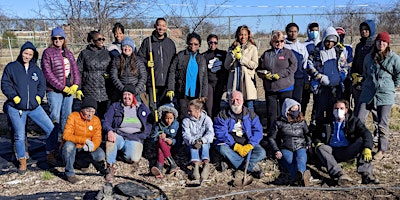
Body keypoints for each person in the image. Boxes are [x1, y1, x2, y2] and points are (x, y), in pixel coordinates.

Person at [1, 41, 58, 174]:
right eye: (25, 53)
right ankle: (22, 160)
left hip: (34, 107)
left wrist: (38, 97)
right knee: (19, 135)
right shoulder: (12, 67)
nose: (27, 56)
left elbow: (42, 84)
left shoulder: (36, 69)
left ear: (33, 55)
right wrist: (14, 97)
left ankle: (50, 153)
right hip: (16, 108)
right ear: (21, 53)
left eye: (30, 54)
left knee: (51, 129)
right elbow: (5, 84)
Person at [313, 100, 379, 185]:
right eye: (336, 108)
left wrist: (368, 147)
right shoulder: (326, 122)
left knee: (362, 144)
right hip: (332, 151)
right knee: (321, 148)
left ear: (346, 110)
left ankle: (367, 175)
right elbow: (315, 134)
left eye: (341, 108)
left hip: (348, 149)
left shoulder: (353, 121)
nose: (338, 111)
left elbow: (366, 133)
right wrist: (317, 142)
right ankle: (339, 174)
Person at [357, 32, 400, 160]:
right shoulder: (368, 57)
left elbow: (398, 74)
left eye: (384, 42)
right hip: (368, 92)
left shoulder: (394, 58)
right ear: (375, 43)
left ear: (388, 44)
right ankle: (360, 145)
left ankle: (382, 149)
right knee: (359, 119)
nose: (381, 44)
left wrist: (391, 87)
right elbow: (365, 72)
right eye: (379, 42)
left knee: (382, 123)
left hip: (385, 94)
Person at [103, 85, 153, 182]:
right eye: (124, 95)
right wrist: (109, 131)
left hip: (135, 137)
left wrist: (144, 135)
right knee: (110, 141)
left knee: (133, 158)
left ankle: (120, 153)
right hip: (119, 135)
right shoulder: (115, 106)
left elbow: (150, 122)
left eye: (129, 94)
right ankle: (110, 167)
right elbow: (106, 121)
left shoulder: (141, 107)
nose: (126, 97)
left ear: (133, 96)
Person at [41, 27, 81, 140]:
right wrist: (62, 87)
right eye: (55, 38)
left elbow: (75, 70)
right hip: (54, 91)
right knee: (55, 117)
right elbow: (47, 74)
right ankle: (53, 143)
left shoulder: (69, 53)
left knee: (67, 117)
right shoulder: (47, 53)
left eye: (60, 38)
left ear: (64, 39)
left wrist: (76, 85)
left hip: (69, 90)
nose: (57, 40)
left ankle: (64, 141)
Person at [214, 91, 266, 178]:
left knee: (261, 153)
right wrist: (234, 145)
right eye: (232, 100)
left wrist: (250, 144)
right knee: (222, 149)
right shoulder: (222, 115)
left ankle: (232, 163)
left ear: (242, 101)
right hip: (230, 144)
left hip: (247, 143)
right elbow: (220, 132)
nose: (235, 102)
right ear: (229, 101)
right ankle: (251, 167)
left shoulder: (251, 114)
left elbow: (258, 131)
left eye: (238, 99)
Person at [307, 26, 348, 125]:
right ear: (324, 39)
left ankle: (331, 132)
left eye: (333, 41)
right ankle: (318, 133)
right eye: (328, 41)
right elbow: (309, 65)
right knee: (319, 111)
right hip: (322, 87)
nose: (330, 43)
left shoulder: (339, 51)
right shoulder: (316, 51)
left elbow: (344, 66)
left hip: (336, 87)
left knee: (333, 111)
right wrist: (319, 76)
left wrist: (341, 77)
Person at [258, 31, 297, 131]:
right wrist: (264, 74)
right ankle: (272, 134)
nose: (279, 43)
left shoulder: (288, 53)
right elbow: (258, 69)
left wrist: (279, 75)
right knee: (272, 113)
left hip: (286, 87)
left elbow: (293, 67)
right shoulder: (266, 54)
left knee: (286, 112)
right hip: (271, 89)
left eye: (282, 41)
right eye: (276, 41)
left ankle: (286, 133)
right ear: (272, 42)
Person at [267, 98, 311, 186]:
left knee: (301, 159)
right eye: (294, 109)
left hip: (300, 146)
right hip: (285, 147)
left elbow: (307, 134)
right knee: (289, 162)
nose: (296, 111)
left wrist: (309, 144)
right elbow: (271, 138)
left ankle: (300, 176)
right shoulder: (278, 122)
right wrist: (276, 150)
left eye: (297, 109)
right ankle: (299, 177)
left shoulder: (302, 121)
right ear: (287, 111)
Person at [61, 96, 105, 183]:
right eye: (88, 111)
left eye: (92, 111)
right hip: (75, 146)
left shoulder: (96, 120)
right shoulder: (73, 116)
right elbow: (66, 135)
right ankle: (69, 173)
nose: (90, 114)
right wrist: (84, 140)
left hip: (86, 148)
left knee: (100, 154)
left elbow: (97, 137)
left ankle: (82, 164)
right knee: (68, 146)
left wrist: (93, 146)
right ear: (82, 109)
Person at [138, 18, 177, 110]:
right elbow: (139, 58)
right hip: (152, 81)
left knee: (166, 107)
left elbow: (174, 63)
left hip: (166, 83)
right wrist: (146, 63)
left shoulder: (170, 43)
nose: (161, 28)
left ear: (166, 27)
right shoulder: (148, 42)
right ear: (155, 26)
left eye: (163, 26)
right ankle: (153, 124)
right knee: (152, 106)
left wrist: (171, 84)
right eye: (159, 25)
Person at [166, 32, 208, 119]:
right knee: (183, 114)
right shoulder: (180, 56)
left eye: (196, 44)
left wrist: (204, 94)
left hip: (196, 94)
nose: (193, 46)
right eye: (191, 44)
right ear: (187, 43)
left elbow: (204, 77)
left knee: (195, 115)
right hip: (182, 92)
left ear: (199, 45)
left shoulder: (201, 58)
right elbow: (172, 71)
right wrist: (171, 88)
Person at [77, 30, 111, 119]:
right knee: (90, 114)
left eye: (103, 39)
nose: (102, 41)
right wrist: (78, 88)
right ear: (92, 41)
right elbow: (78, 71)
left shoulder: (107, 53)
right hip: (89, 89)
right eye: (99, 39)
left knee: (104, 114)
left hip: (105, 90)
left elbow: (112, 68)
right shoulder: (84, 53)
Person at [224, 25, 258, 110]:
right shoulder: (232, 48)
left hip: (247, 82)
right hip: (235, 81)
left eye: (245, 34)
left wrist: (242, 58)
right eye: (241, 34)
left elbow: (254, 64)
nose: (243, 37)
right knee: (234, 107)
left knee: (249, 107)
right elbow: (226, 66)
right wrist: (232, 56)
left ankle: (250, 123)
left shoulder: (252, 48)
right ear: (237, 35)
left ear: (248, 35)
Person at [182, 98, 214, 180]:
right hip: (192, 143)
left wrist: (202, 140)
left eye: (191, 111)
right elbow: (185, 134)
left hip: (203, 142)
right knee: (193, 146)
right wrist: (193, 141)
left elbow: (210, 133)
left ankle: (206, 164)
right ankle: (195, 164)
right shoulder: (186, 120)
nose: (188, 112)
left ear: (198, 110)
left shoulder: (207, 119)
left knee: (205, 144)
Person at [110, 36, 147, 102]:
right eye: (125, 46)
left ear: (132, 48)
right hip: (121, 91)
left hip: (136, 92)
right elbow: (114, 76)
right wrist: (123, 89)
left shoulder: (138, 60)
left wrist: (135, 90)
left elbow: (143, 77)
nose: (127, 48)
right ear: (122, 48)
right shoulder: (116, 60)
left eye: (129, 46)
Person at [352, 20, 376, 114]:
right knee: (358, 107)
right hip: (358, 80)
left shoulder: (375, 45)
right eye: (362, 30)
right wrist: (353, 74)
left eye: (366, 29)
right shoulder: (359, 46)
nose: (364, 31)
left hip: (370, 80)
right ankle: (358, 127)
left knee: (374, 108)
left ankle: (379, 128)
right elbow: (355, 61)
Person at [150, 103, 180, 178]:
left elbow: (179, 139)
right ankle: (172, 163)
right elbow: (153, 136)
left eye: (171, 118)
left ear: (174, 117)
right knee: (160, 141)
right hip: (160, 143)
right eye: (167, 118)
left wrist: (171, 141)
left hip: (170, 146)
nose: (168, 121)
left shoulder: (176, 125)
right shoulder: (159, 124)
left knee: (161, 148)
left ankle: (160, 166)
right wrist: (159, 135)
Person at [202, 34, 227, 118]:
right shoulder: (204, 56)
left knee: (217, 104)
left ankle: (216, 123)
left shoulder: (223, 54)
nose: (213, 44)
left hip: (219, 83)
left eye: (215, 43)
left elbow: (226, 68)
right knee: (209, 106)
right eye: (211, 42)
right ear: (207, 43)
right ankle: (209, 122)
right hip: (208, 83)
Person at [284, 23, 309, 104]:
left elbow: (305, 63)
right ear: (287, 32)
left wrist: (306, 80)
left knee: (297, 102)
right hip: (286, 79)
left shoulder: (302, 47)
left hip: (299, 79)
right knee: (287, 102)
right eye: (291, 31)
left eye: (295, 31)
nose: (293, 33)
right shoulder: (283, 46)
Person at [302, 22, 321, 120]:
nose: (314, 32)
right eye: (312, 30)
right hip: (306, 79)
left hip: (318, 79)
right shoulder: (304, 45)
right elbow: (304, 63)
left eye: (316, 30)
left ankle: (314, 122)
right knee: (304, 101)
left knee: (318, 102)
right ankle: (301, 121)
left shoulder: (322, 44)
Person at [335, 27, 353, 103]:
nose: (340, 37)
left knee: (346, 98)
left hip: (346, 77)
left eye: (341, 35)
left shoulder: (348, 47)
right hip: (334, 76)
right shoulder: (331, 47)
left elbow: (350, 62)